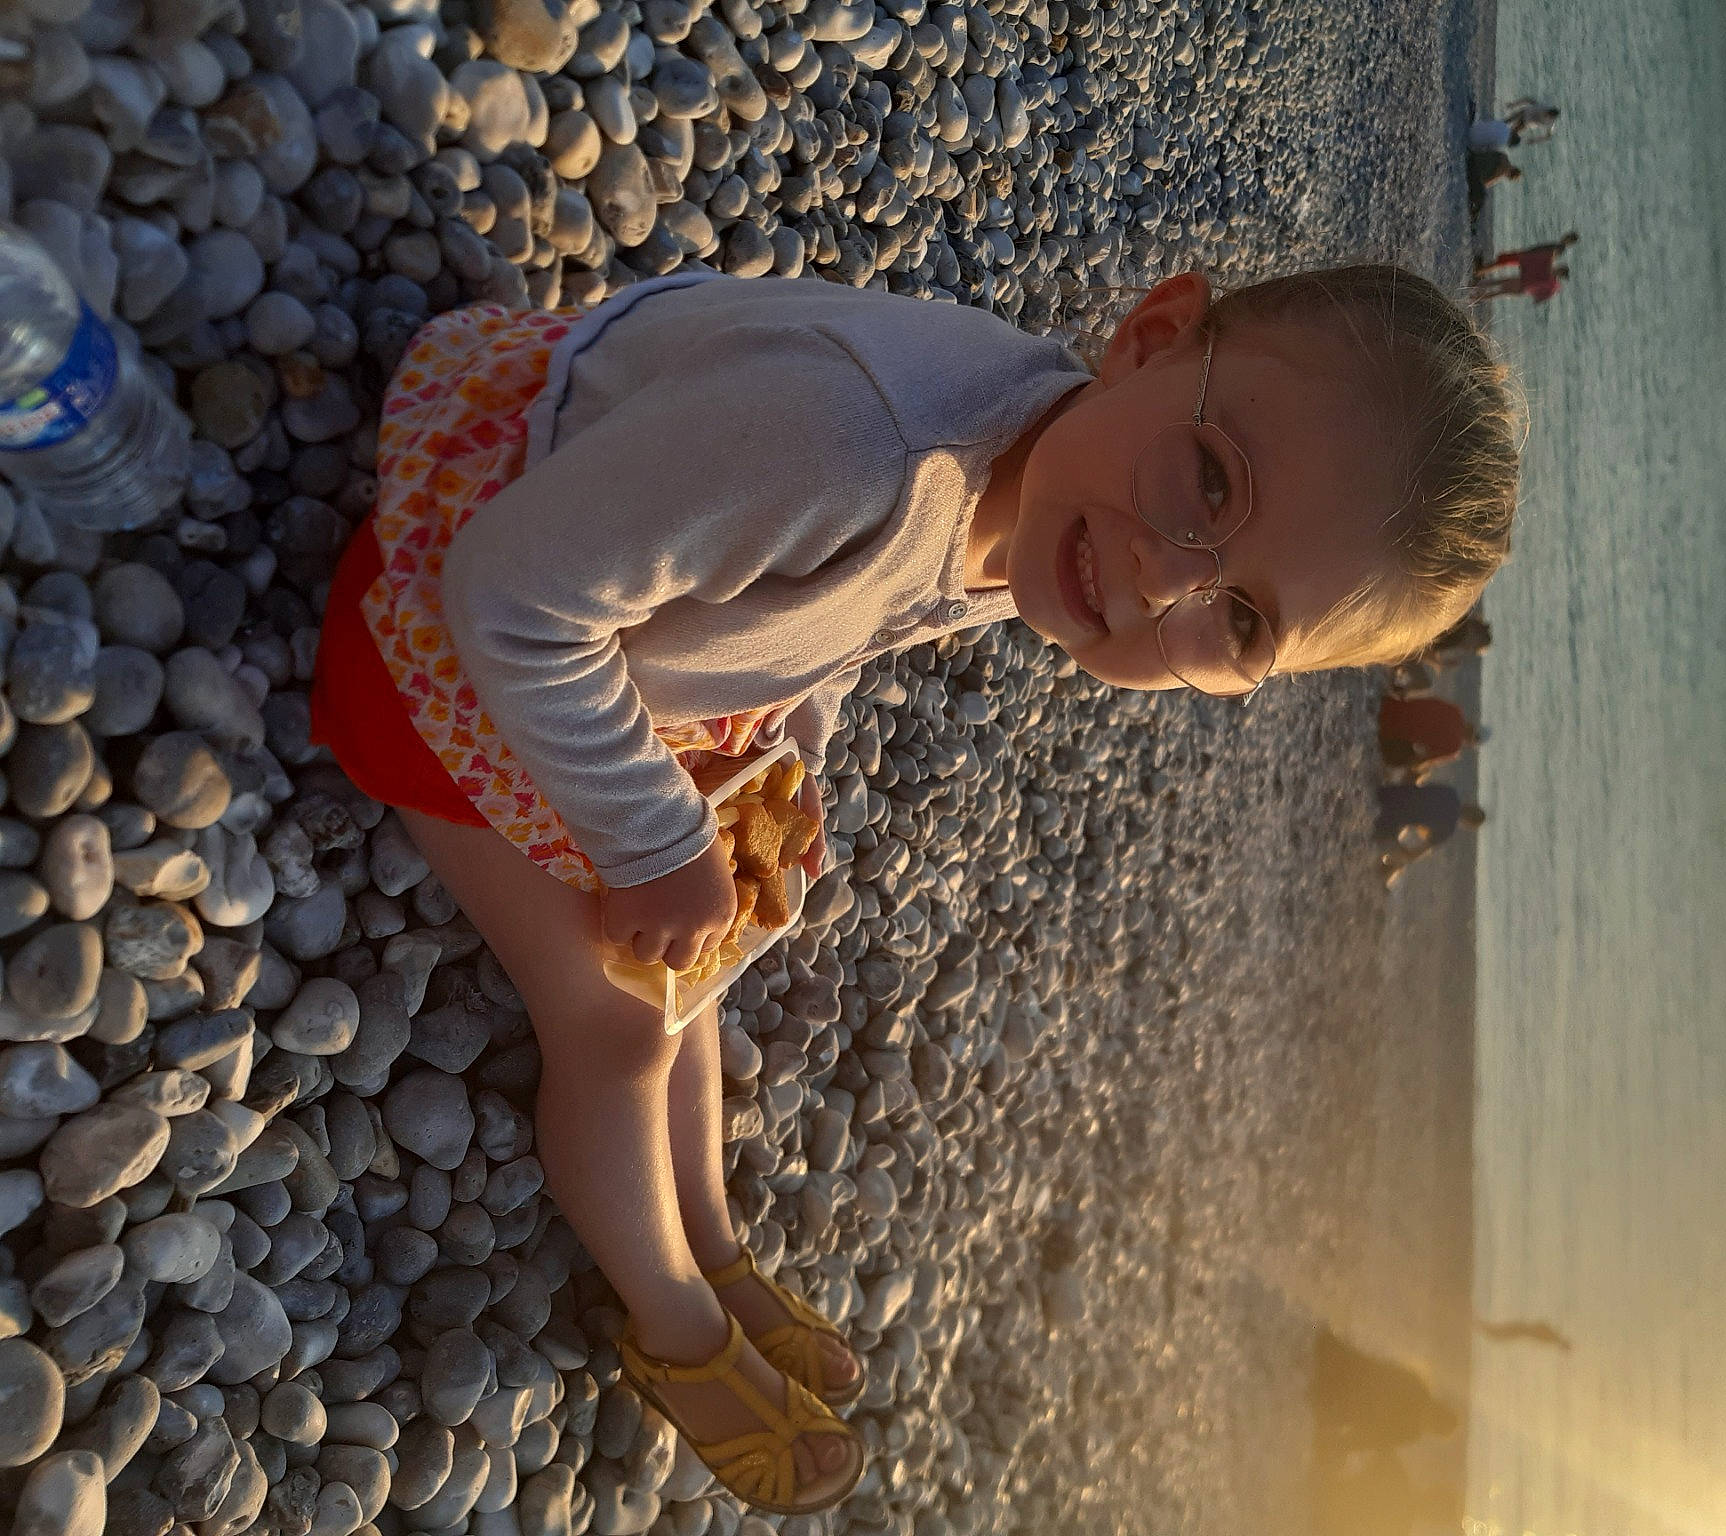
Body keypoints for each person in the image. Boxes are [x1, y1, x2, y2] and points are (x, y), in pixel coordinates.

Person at [306, 262, 1524, 1513]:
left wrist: (784, 754)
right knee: (621, 1028)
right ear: (1153, 334)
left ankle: (710, 1246)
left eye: (1247, 622)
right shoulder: (853, 445)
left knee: (695, 978)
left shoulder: (1056, 487)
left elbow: (839, 621)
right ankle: (673, 1322)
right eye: (1211, 482)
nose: (1166, 581)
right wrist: (652, 844)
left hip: (607, 610)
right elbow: (506, 596)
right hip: (434, 627)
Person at [1374, 784, 1487, 886]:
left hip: (1389, 793)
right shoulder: (1447, 828)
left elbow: (1421, 794)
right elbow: (1417, 852)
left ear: (1471, 805)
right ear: (1467, 823)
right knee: (1408, 855)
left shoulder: (1450, 792)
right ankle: (1382, 874)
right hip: (1388, 819)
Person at [1378, 694, 1484, 781]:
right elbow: (1425, 757)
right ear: (1469, 742)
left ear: (1471, 725)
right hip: (1391, 732)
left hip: (1393, 707)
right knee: (1410, 762)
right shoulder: (1454, 746)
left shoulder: (1455, 711)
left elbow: (1429, 701)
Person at [1467, 149, 1522, 220]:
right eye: (1509, 177)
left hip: (1474, 158)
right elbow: (1486, 183)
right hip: (1473, 169)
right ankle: (1470, 218)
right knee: (1481, 197)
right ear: (1510, 175)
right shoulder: (1502, 171)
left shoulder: (1504, 156)